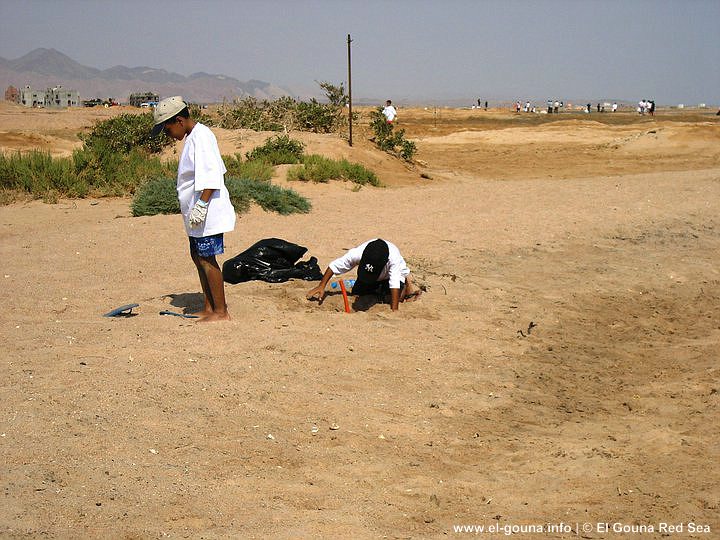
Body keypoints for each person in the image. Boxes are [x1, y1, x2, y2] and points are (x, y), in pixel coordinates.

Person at [151, 96, 236, 322]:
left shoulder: (203, 137)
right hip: (196, 213)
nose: (168, 136)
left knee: (208, 258)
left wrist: (201, 204)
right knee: (197, 256)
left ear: (179, 120)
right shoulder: (192, 138)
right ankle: (209, 307)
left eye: (167, 130)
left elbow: (212, 175)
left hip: (206, 211)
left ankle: (221, 311)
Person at [306, 239, 421, 311]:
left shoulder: (393, 259)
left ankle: (408, 282)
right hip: (370, 275)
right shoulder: (357, 253)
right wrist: (322, 286)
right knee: (357, 293)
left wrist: (394, 310)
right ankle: (376, 290)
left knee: (397, 297)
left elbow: (394, 283)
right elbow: (334, 266)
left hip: (388, 276)